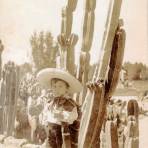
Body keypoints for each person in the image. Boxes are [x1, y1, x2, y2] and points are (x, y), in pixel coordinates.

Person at [36, 68, 82, 148]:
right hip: (51, 138)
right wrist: (44, 117)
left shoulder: (70, 103)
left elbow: (72, 117)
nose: (56, 89)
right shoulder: (51, 103)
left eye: (60, 86)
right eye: (54, 86)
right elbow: (47, 116)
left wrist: (61, 115)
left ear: (66, 88)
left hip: (64, 138)